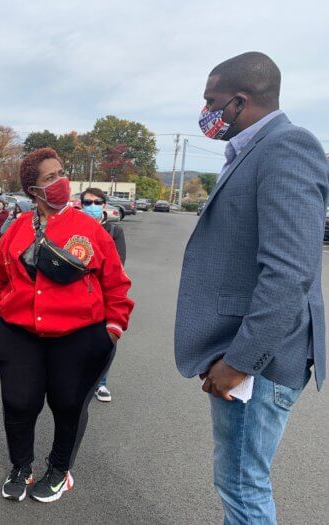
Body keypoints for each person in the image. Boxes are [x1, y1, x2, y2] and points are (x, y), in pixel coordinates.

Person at [175, 52, 328, 524]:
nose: (205, 110)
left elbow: (288, 273)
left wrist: (239, 362)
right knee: (239, 483)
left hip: (257, 362)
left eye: (211, 100)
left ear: (239, 101)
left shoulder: (287, 147)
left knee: (243, 486)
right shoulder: (252, 152)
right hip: (248, 357)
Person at [0, 148, 134, 503]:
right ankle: (21, 466)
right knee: (19, 402)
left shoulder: (90, 230)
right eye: (51, 177)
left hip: (79, 337)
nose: (61, 181)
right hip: (19, 335)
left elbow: (116, 284)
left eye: (61, 173)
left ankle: (59, 469)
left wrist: (112, 329)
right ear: (33, 190)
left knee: (68, 403)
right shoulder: (17, 229)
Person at [80, 188, 126, 403]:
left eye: (97, 202)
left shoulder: (113, 231)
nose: (92, 206)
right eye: (87, 202)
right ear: (81, 204)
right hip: (77, 297)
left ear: (104, 205)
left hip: (102, 296)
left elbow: (118, 266)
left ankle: (101, 384)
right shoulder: (75, 229)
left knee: (105, 340)